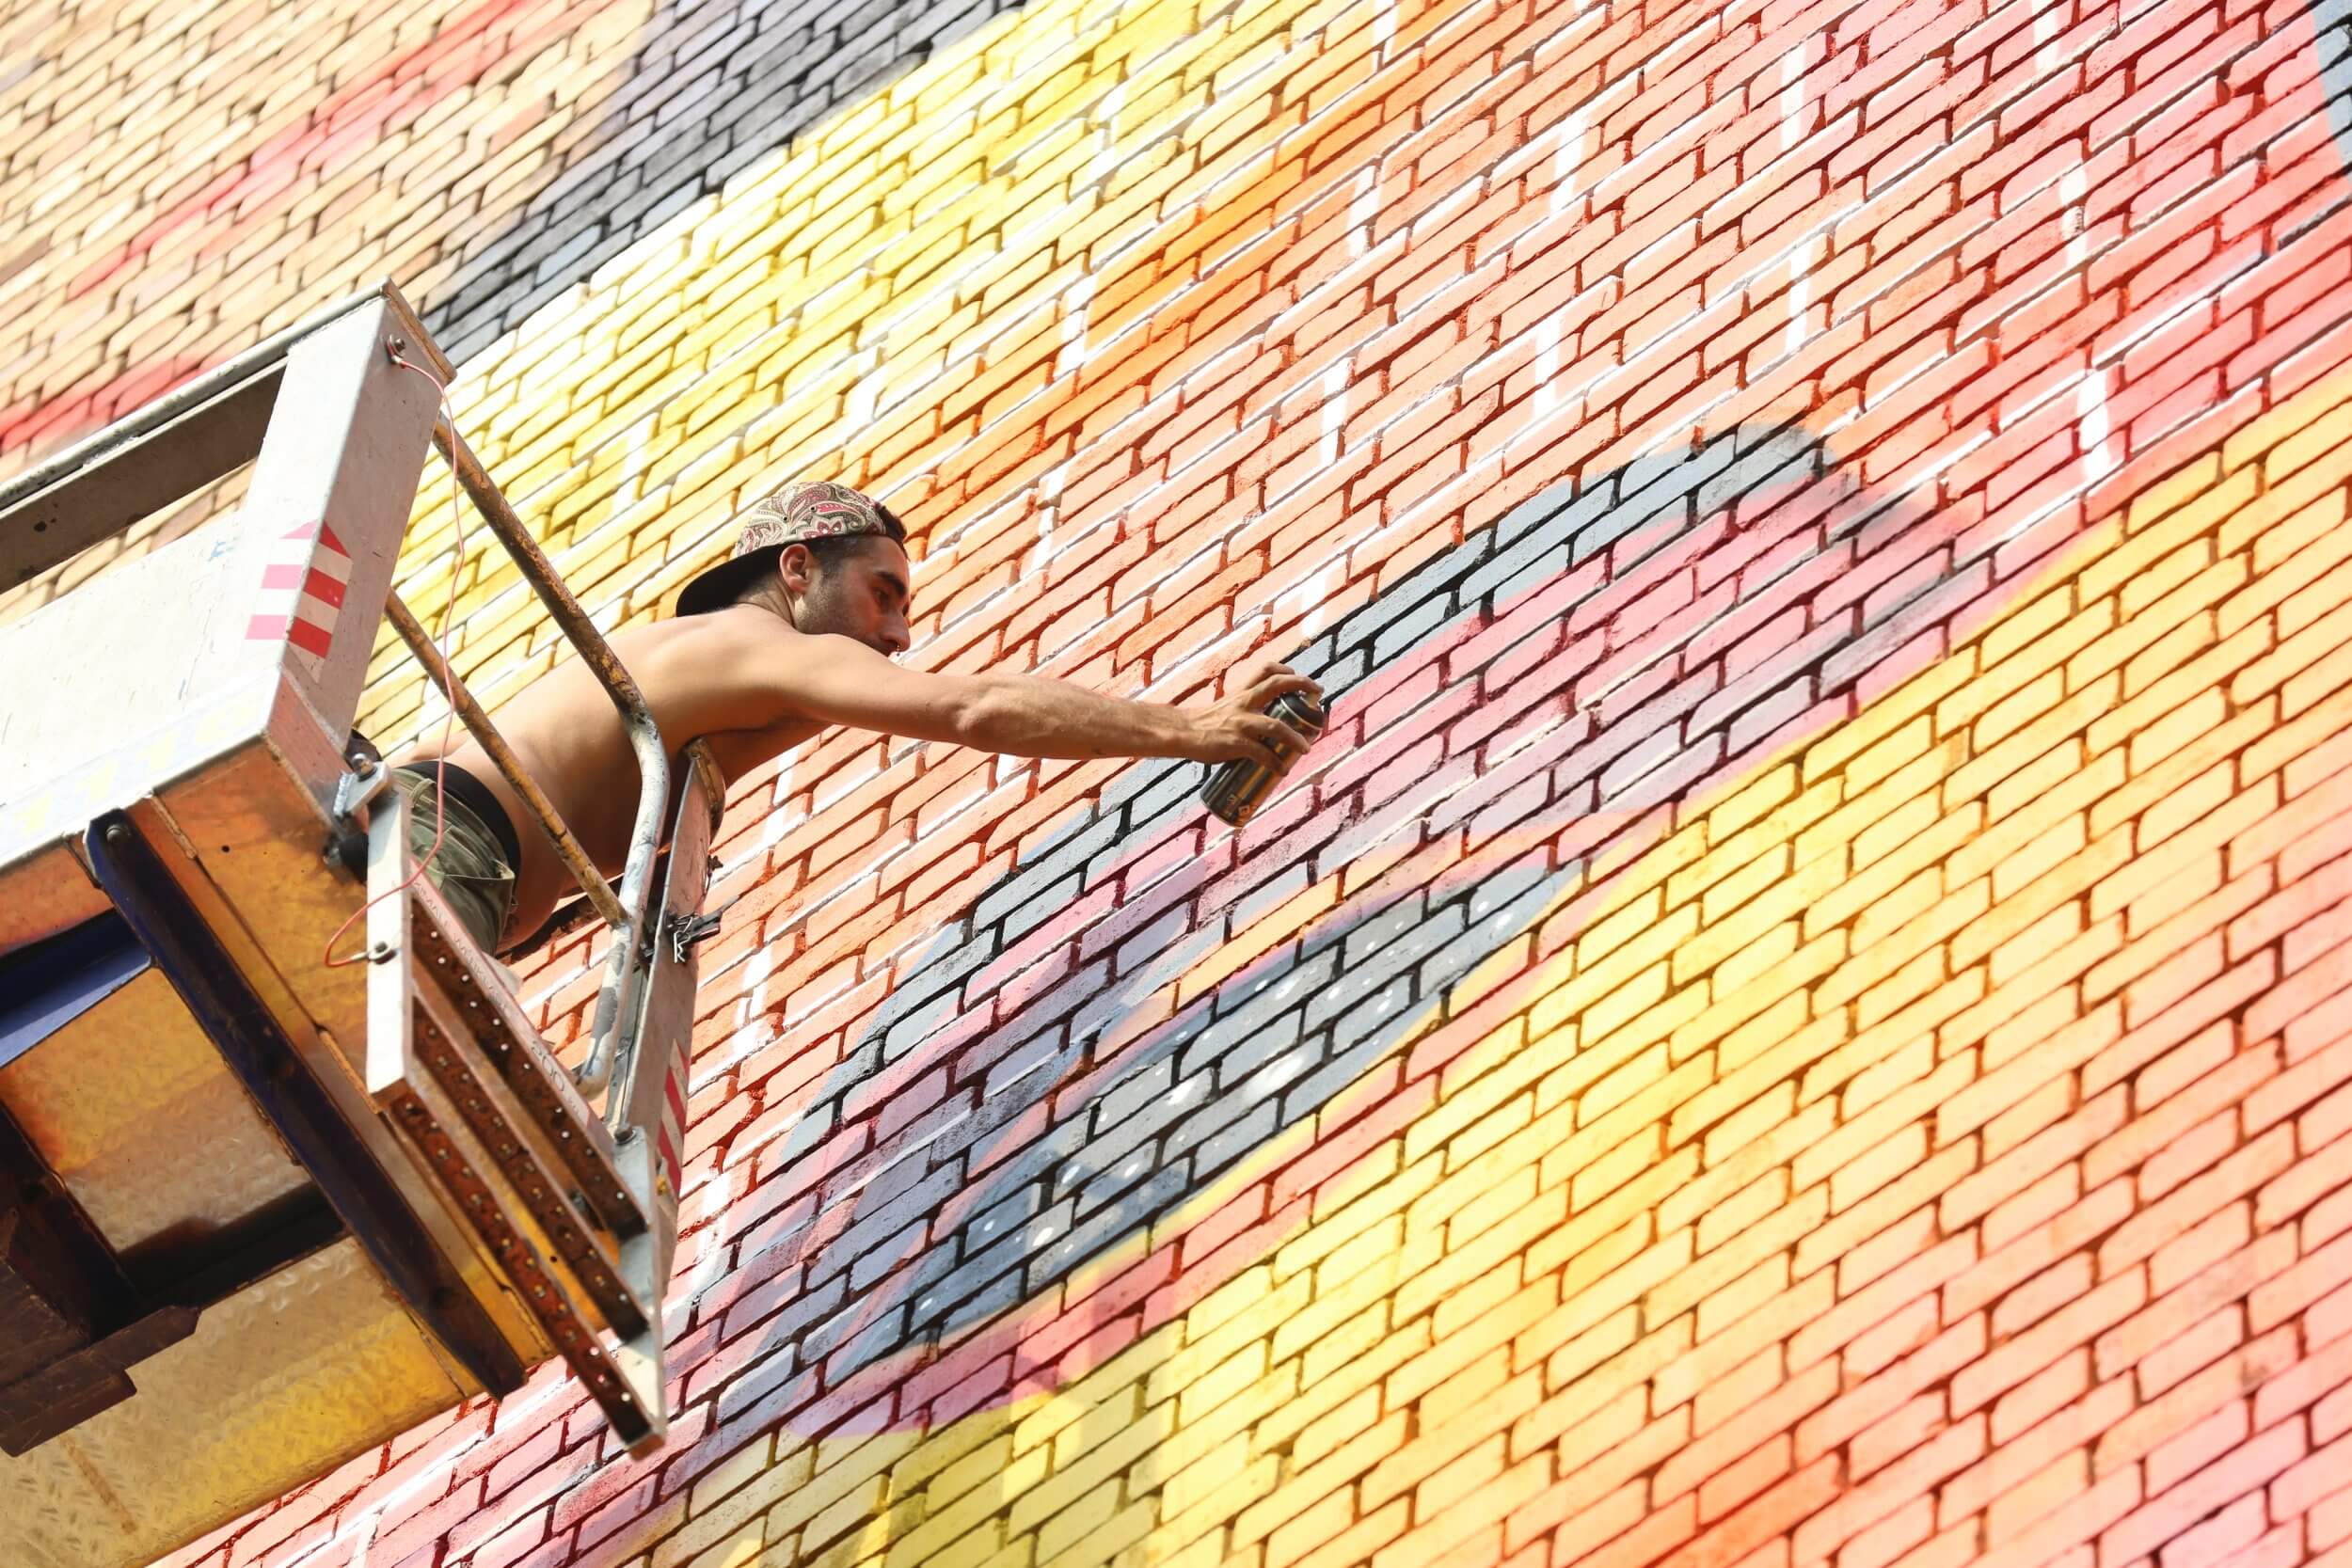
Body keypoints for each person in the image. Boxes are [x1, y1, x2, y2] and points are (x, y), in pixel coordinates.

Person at [389, 479, 1324, 955]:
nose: (899, 633)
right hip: (449, 850)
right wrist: (1197, 731)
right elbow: (974, 707)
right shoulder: (757, 641)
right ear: (798, 569)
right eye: (883, 594)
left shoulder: (706, 671)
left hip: (434, 850)